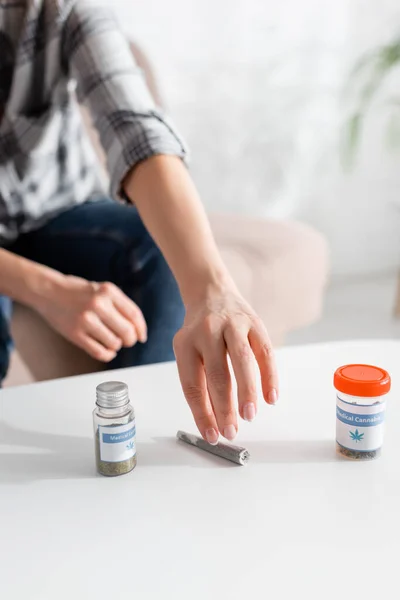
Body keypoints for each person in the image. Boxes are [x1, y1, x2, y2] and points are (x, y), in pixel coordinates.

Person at [0, 0, 278, 444]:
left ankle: (141, 441)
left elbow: (135, 128)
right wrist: (46, 288)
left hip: (57, 209)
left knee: (161, 246)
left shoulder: (62, 9)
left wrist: (213, 287)